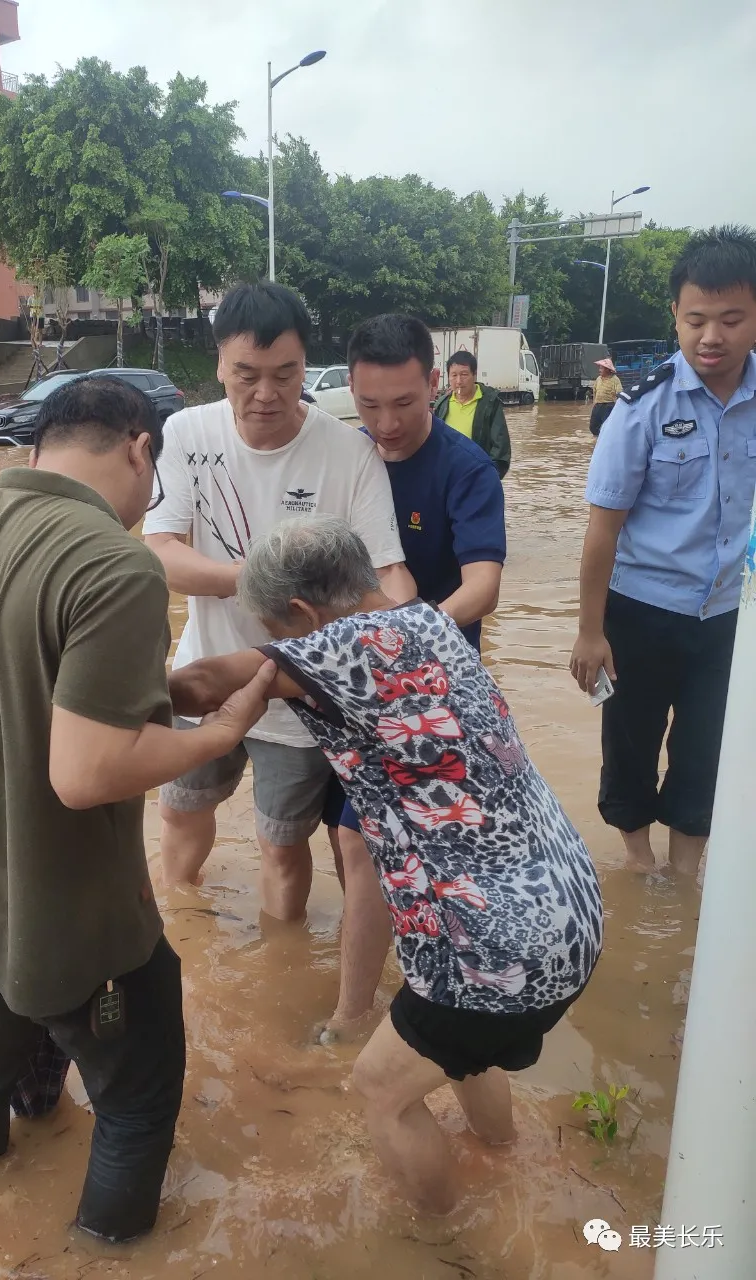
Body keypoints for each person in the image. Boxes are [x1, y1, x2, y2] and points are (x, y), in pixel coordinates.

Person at [0, 376, 275, 1243]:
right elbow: (86, 774)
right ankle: (102, 1258)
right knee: (137, 1107)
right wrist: (219, 731)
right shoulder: (116, 561)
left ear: (39, 445)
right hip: (78, 930)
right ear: (140, 447)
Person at [170, 515, 603, 1213]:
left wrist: (70, 698)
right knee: (464, 1051)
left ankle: (443, 1238)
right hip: (567, 907)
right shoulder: (428, 620)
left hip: (494, 944)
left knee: (382, 1090)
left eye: (280, 630)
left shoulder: (334, 648)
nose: (284, 646)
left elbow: (193, 685)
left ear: (305, 613)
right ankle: (504, 1162)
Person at [142, 282, 414, 923]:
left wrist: (415, 639)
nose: (265, 394)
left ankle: (280, 959)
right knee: (181, 810)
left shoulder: (348, 453)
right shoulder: (185, 433)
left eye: (285, 375)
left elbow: (388, 573)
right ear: (219, 365)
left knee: (282, 844)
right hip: (205, 670)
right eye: (246, 375)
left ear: (306, 368)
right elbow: (161, 551)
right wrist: (260, 581)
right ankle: (182, 933)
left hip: (300, 693)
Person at [322, 315, 507, 1037]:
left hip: (438, 694)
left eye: (404, 403)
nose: (386, 423)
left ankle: (356, 1015)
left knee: (367, 844)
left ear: (435, 384)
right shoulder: (345, 459)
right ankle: (373, 985)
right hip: (353, 689)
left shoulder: (465, 469)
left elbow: (482, 585)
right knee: (357, 844)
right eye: (368, 406)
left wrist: (412, 637)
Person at [570, 225, 756, 875]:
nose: (713, 336)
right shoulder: (641, 405)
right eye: (697, 319)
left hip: (724, 613)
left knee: (707, 750)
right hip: (640, 610)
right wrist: (590, 633)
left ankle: (682, 879)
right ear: (675, 316)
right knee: (630, 743)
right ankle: (639, 864)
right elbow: (602, 530)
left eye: (732, 319)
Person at [433, 350, 512, 478]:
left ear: (474, 375)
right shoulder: (442, 405)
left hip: (477, 477)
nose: (458, 381)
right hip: (448, 478)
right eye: (454, 375)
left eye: (464, 374)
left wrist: (488, 479)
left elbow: (501, 449)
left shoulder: (490, 403)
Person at [589, 358, 623, 437]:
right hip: (597, 405)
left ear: (607, 370)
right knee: (593, 427)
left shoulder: (615, 379)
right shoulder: (598, 379)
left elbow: (619, 393)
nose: (599, 370)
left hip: (609, 406)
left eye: (601, 368)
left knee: (607, 426)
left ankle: (605, 440)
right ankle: (598, 439)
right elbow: (595, 391)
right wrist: (594, 403)